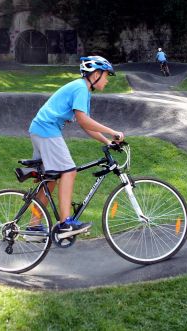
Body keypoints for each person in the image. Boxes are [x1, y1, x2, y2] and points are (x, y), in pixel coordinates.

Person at [27, 56, 124, 240]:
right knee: (69, 171)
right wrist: (113, 131)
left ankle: (33, 227)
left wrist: (107, 141)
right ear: (95, 74)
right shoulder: (81, 88)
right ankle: (65, 223)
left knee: (51, 179)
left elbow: (85, 125)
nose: (107, 79)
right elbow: (83, 120)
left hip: (39, 129)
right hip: (47, 129)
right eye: (106, 75)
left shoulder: (82, 90)